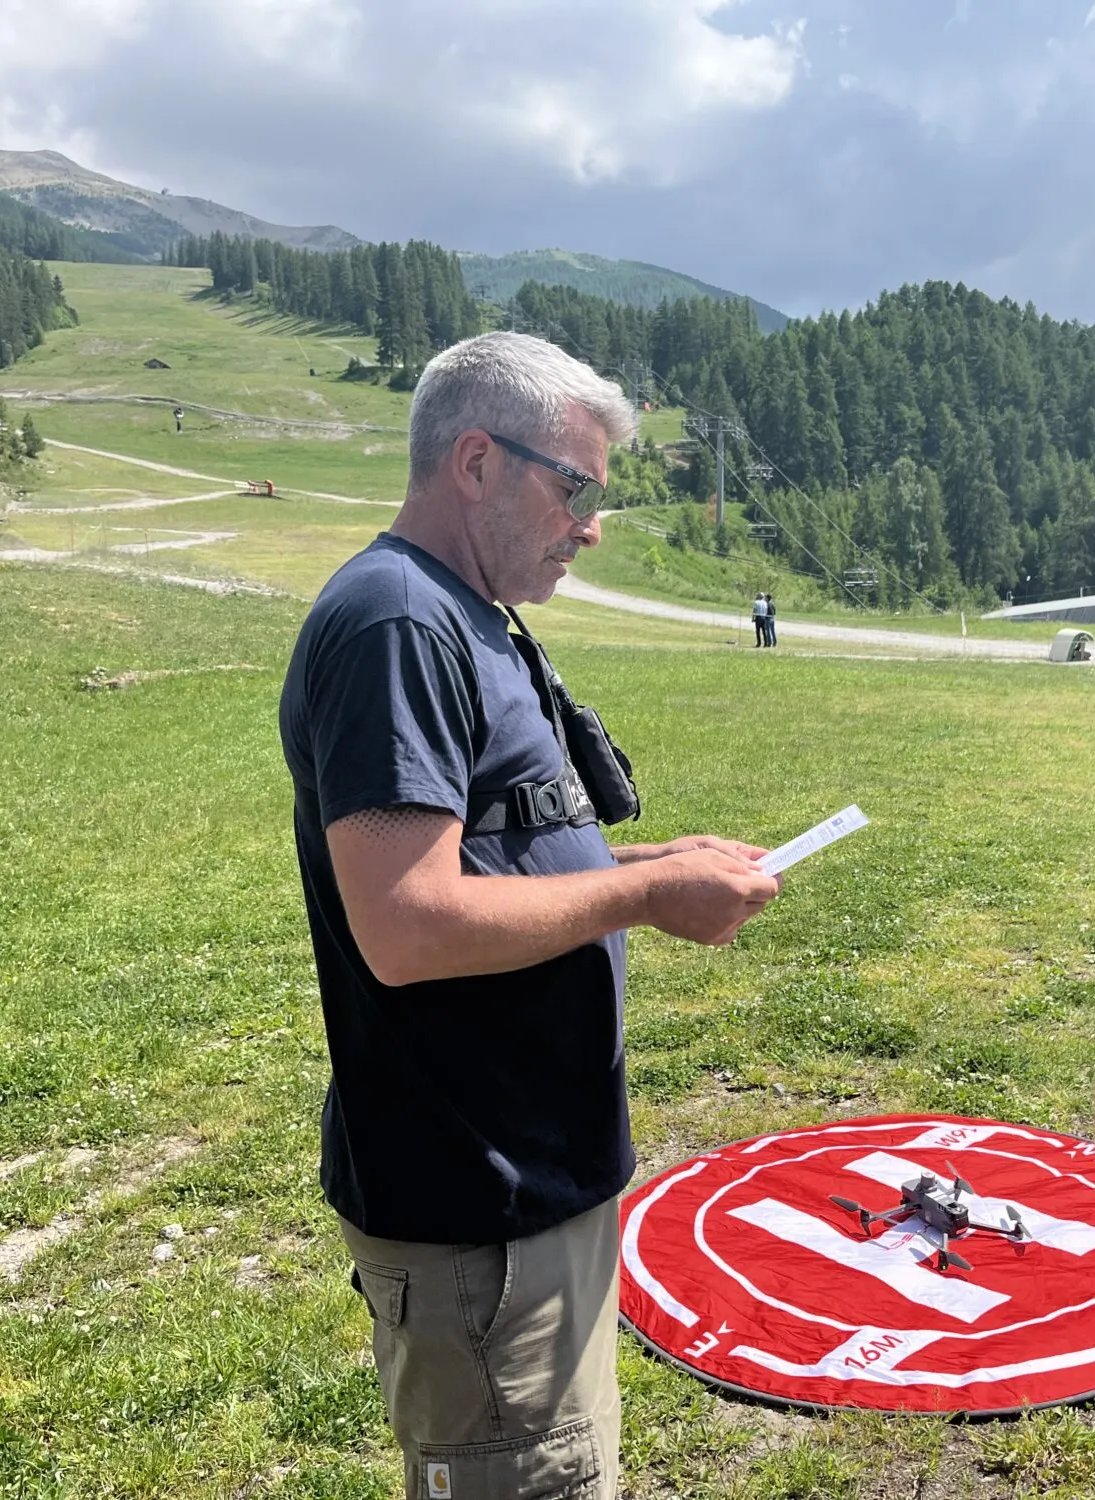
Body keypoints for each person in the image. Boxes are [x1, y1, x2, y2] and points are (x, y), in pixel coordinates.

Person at [279, 331, 782, 1500]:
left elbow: (493, 854)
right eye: (575, 487)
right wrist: (650, 894)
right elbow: (406, 924)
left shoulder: (467, 614)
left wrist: (654, 856)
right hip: (474, 1207)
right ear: (473, 462)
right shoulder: (397, 625)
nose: (590, 524)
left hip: (527, 1187)